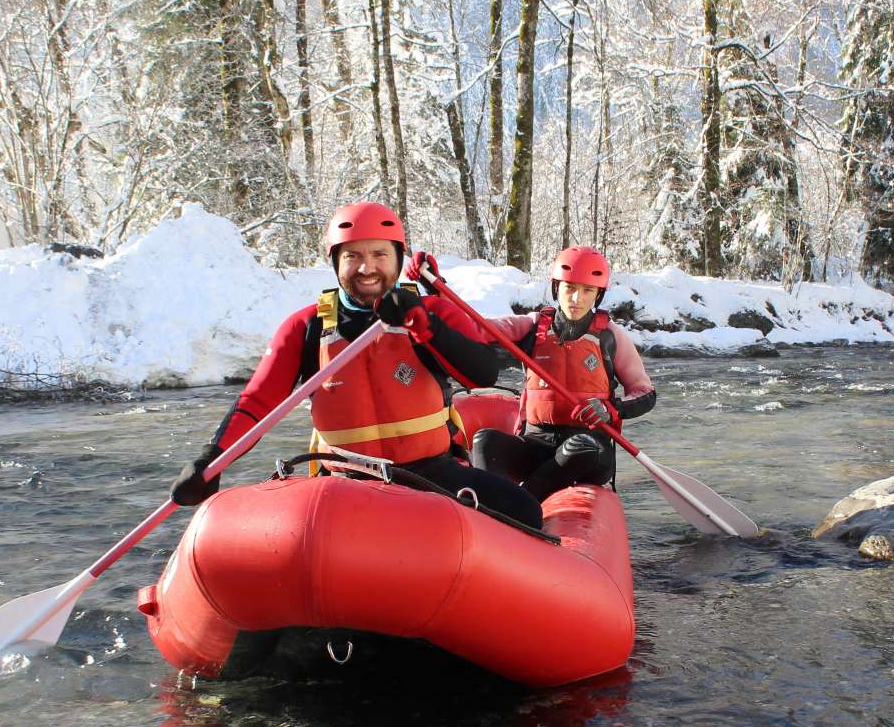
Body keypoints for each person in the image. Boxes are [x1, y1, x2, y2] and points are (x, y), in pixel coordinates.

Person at [170, 202, 544, 530]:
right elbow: (257, 403)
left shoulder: (431, 312)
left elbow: (482, 374)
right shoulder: (306, 327)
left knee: (524, 510)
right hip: (343, 483)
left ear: (397, 257)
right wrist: (210, 459)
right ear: (335, 261)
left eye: (380, 254)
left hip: (430, 474)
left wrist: (423, 325)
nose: (367, 267)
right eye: (353, 256)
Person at [470, 246, 655, 501]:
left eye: (587, 290)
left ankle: (519, 503)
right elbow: (478, 328)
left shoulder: (611, 336)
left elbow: (645, 394)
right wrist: (435, 297)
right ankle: (492, 503)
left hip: (590, 450)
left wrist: (611, 409)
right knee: (485, 440)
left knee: (580, 447)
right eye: (570, 288)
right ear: (557, 288)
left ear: (598, 295)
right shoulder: (532, 327)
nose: (577, 298)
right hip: (537, 444)